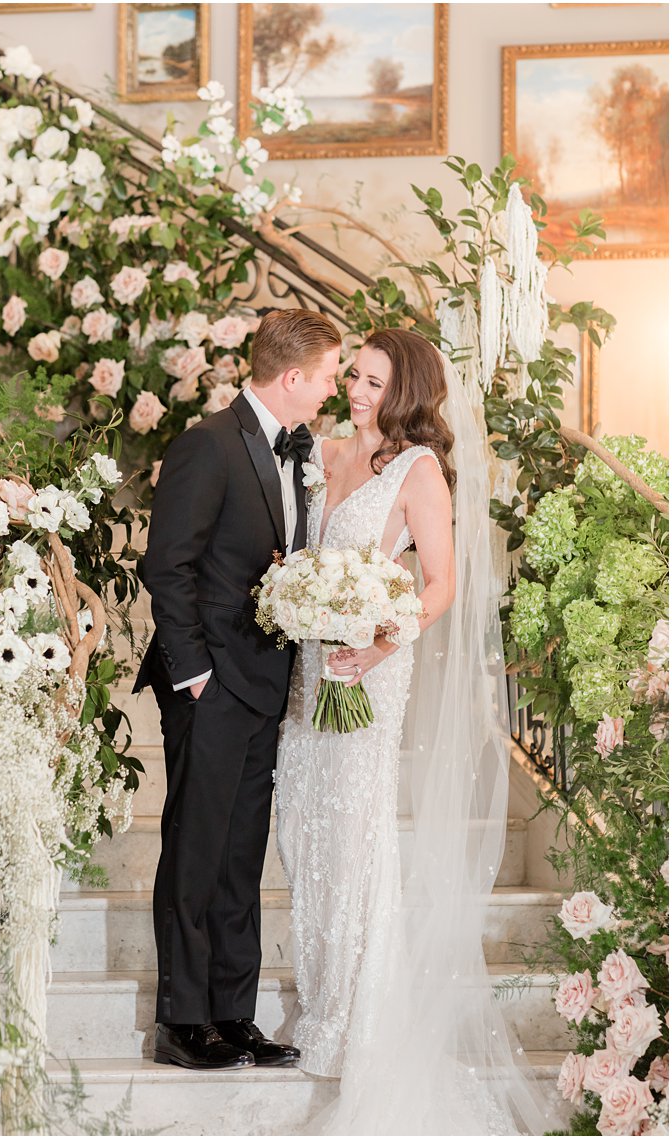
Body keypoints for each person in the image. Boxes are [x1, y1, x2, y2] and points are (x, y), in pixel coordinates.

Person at [277, 328, 549, 1133]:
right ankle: (322, 1000)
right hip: (308, 667)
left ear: (405, 393)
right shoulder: (321, 452)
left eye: (373, 382)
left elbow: (440, 583)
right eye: (353, 376)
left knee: (355, 835)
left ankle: (354, 1020)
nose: (358, 390)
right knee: (300, 826)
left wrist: (380, 641)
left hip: (369, 667)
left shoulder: (418, 471)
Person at [134, 308, 342, 1070]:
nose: (330, 391)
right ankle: (181, 1021)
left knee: (241, 855)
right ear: (292, 377)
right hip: (211, 684)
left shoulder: (300, 451)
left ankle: (233, 1012)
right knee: (196, 850)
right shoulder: (207, 445)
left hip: (267, 685)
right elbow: (169, 566)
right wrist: (193, 676)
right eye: (325, 378)